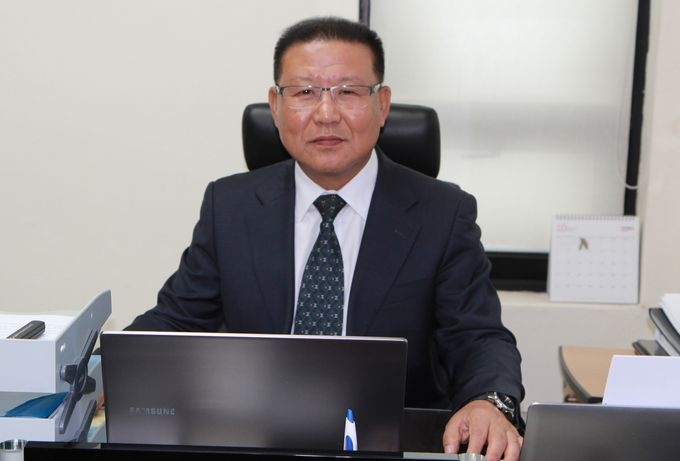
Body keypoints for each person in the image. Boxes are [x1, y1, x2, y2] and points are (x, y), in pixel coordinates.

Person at [126, 16, 524, 461]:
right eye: (304, 92)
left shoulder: (442, 212)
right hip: (256, 441)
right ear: (275, 106)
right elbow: (177, 320)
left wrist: (489, 402)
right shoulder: (230, 206)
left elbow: (476, 337)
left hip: (392, 444)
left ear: (383, 105)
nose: (327, 113)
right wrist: (107, 369)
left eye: (348, 92)